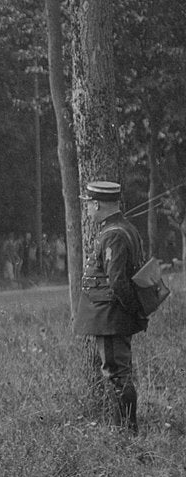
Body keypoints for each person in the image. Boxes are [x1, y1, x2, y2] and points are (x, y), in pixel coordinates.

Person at [73, 180, 148, 434]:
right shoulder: (124, 227)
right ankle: (125, 430)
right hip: (114, 315)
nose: (88, 211)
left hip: (112, 317)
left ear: (96, 205)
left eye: (89, 206)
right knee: (118, 373)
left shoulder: (113, 234)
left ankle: (126, 433)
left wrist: (132, 311)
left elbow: (117, 282)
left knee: (116, 374)